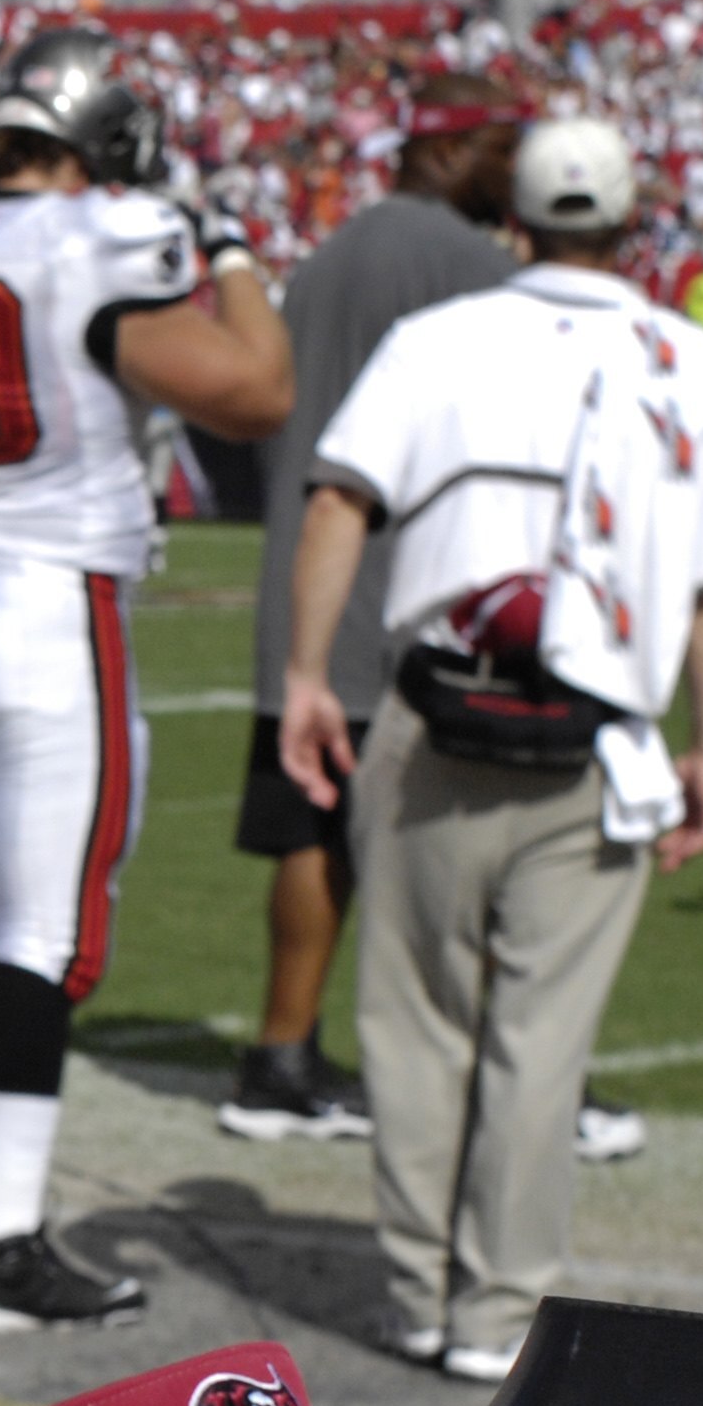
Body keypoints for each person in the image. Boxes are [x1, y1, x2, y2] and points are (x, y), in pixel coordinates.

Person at [0, 30, 292, 1329]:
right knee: (41, 939)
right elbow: (257, 390)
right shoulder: (103, 237)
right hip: (45, 598)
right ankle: (2, 1247)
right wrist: (237, 251)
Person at [279, 117, 703, 1384]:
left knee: (416, 1017)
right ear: (634, 224)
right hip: (598, 730)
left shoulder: (441, 340)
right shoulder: (688, 356)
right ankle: (498, 1309)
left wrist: (309, 676)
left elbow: (337, 499)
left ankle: (420, 1291)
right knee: (541, 1039)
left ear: (513, 220)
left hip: (436, 709)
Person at [222, 73, 524, 1145]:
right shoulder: (477, 267)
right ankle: (476, 1077)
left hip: (301, 584)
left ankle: (279, 1050)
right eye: (500, 146)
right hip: (407, 596)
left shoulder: (331, 256)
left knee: (308, 835)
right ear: (456, 152)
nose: (515, 169)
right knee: (458, 845)